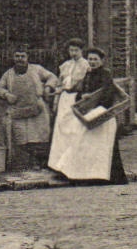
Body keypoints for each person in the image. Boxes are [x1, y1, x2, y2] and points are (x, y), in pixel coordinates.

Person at [47, 47, 128, 185]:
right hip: (89, 116)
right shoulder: (88, 74)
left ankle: (100, 176)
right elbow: (79, 94)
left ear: (102, 61)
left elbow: (108, 95)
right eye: (90, 59)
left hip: (102, 116)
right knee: (81, 143)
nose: (92, 62)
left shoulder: (106, 75)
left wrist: (94, 104)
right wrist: (83, 97)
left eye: (95, 59)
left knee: (100, 147)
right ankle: (82, 175)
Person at [0, 49, 58, 167]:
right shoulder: (8, 74)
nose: (20, 59)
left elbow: (52, 77)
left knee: (39, 138)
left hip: (37, 110)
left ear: (27, 57)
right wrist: (6, 94)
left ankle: (40, 163)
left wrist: (48, 87)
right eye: (17, 56)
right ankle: (26, 164)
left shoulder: (37, 69)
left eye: (22, 56)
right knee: (21, 139)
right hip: (19, 111)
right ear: (13, 58)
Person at [48, 38, 89, 154]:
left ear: (81, 51)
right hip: (64, 98)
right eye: (71, 50)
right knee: (61, 125)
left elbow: (86, 83)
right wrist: (56, 101)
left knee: (75, 125)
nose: (73, 53)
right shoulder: (65, 65)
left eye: (76, 50)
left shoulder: (86, 65)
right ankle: (61, 155)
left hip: (77, 97)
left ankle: (75, 154)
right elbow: (59, 83)